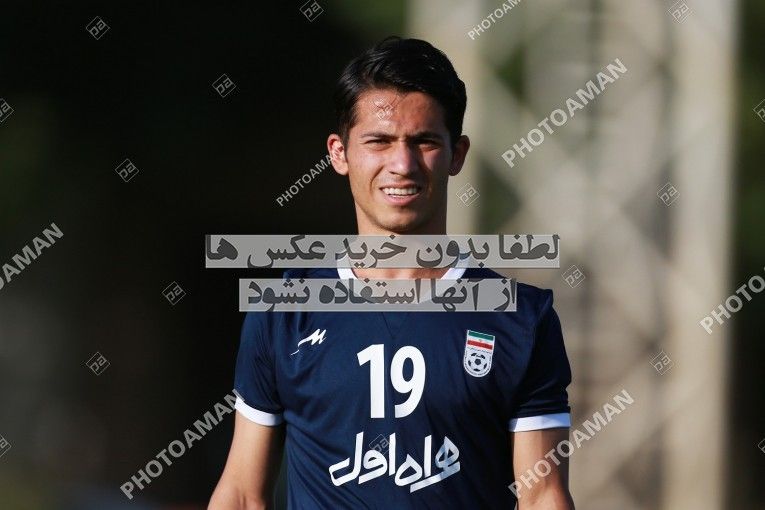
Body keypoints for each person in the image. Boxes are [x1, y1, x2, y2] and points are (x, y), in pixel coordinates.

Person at [208, 36, 574, 509]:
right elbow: (241, 493)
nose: (402, 164)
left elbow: (542, 496)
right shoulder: (284, 310)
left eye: (424, 142)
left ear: (457, 154)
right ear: (339, 153)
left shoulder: (521, 318)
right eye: (379, 141)